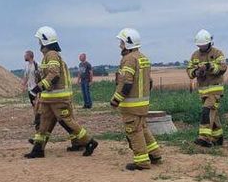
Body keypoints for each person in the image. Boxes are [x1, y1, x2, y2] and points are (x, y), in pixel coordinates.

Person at [24, 26, 98, 159]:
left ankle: (89, 142)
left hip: (57, 98)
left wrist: (37, 88)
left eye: (40, 40)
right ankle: (38, 149)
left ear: (44, 41)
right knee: (44, 123)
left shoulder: (51, 55)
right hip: (50, 98)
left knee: (67, 121)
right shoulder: (49, 55)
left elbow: (54, 75)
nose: (39, 43)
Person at [110, 28, 162, 170]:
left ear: (127, 43)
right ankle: (155, 155)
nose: (120, 45)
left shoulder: (128, 59)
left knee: (134, 131)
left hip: (131, 105)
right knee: (143, 129)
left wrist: (116, 100)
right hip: (143, 103)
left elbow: (126, 83)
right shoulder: (143, 58)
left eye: (121, 42)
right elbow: (149, 82)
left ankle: (142, 161)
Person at [186, 29, 228, 147]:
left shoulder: (218, 53)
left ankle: (204, 138)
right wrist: (196, 72)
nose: (202, 48)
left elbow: (223, 68)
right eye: (200, 46)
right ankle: (218, 138)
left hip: (215, 89)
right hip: (203, 91)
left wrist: (209, 66)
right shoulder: (195, 55)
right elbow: (189, 70)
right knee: (213, 115)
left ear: (209, 43)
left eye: (203, 45)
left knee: (207, 111)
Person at [22, 50, 40, 134]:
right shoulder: (26, 65)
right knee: (33, 105)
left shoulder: (37, 65)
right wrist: (23, 85)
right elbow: (25, 76)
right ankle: (36, 118)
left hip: (36, 87)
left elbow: (40, 76)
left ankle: (39, 119)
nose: (24, 57)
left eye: (25, 55)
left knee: (37, 104)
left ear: (29, 56)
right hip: (30, 88)